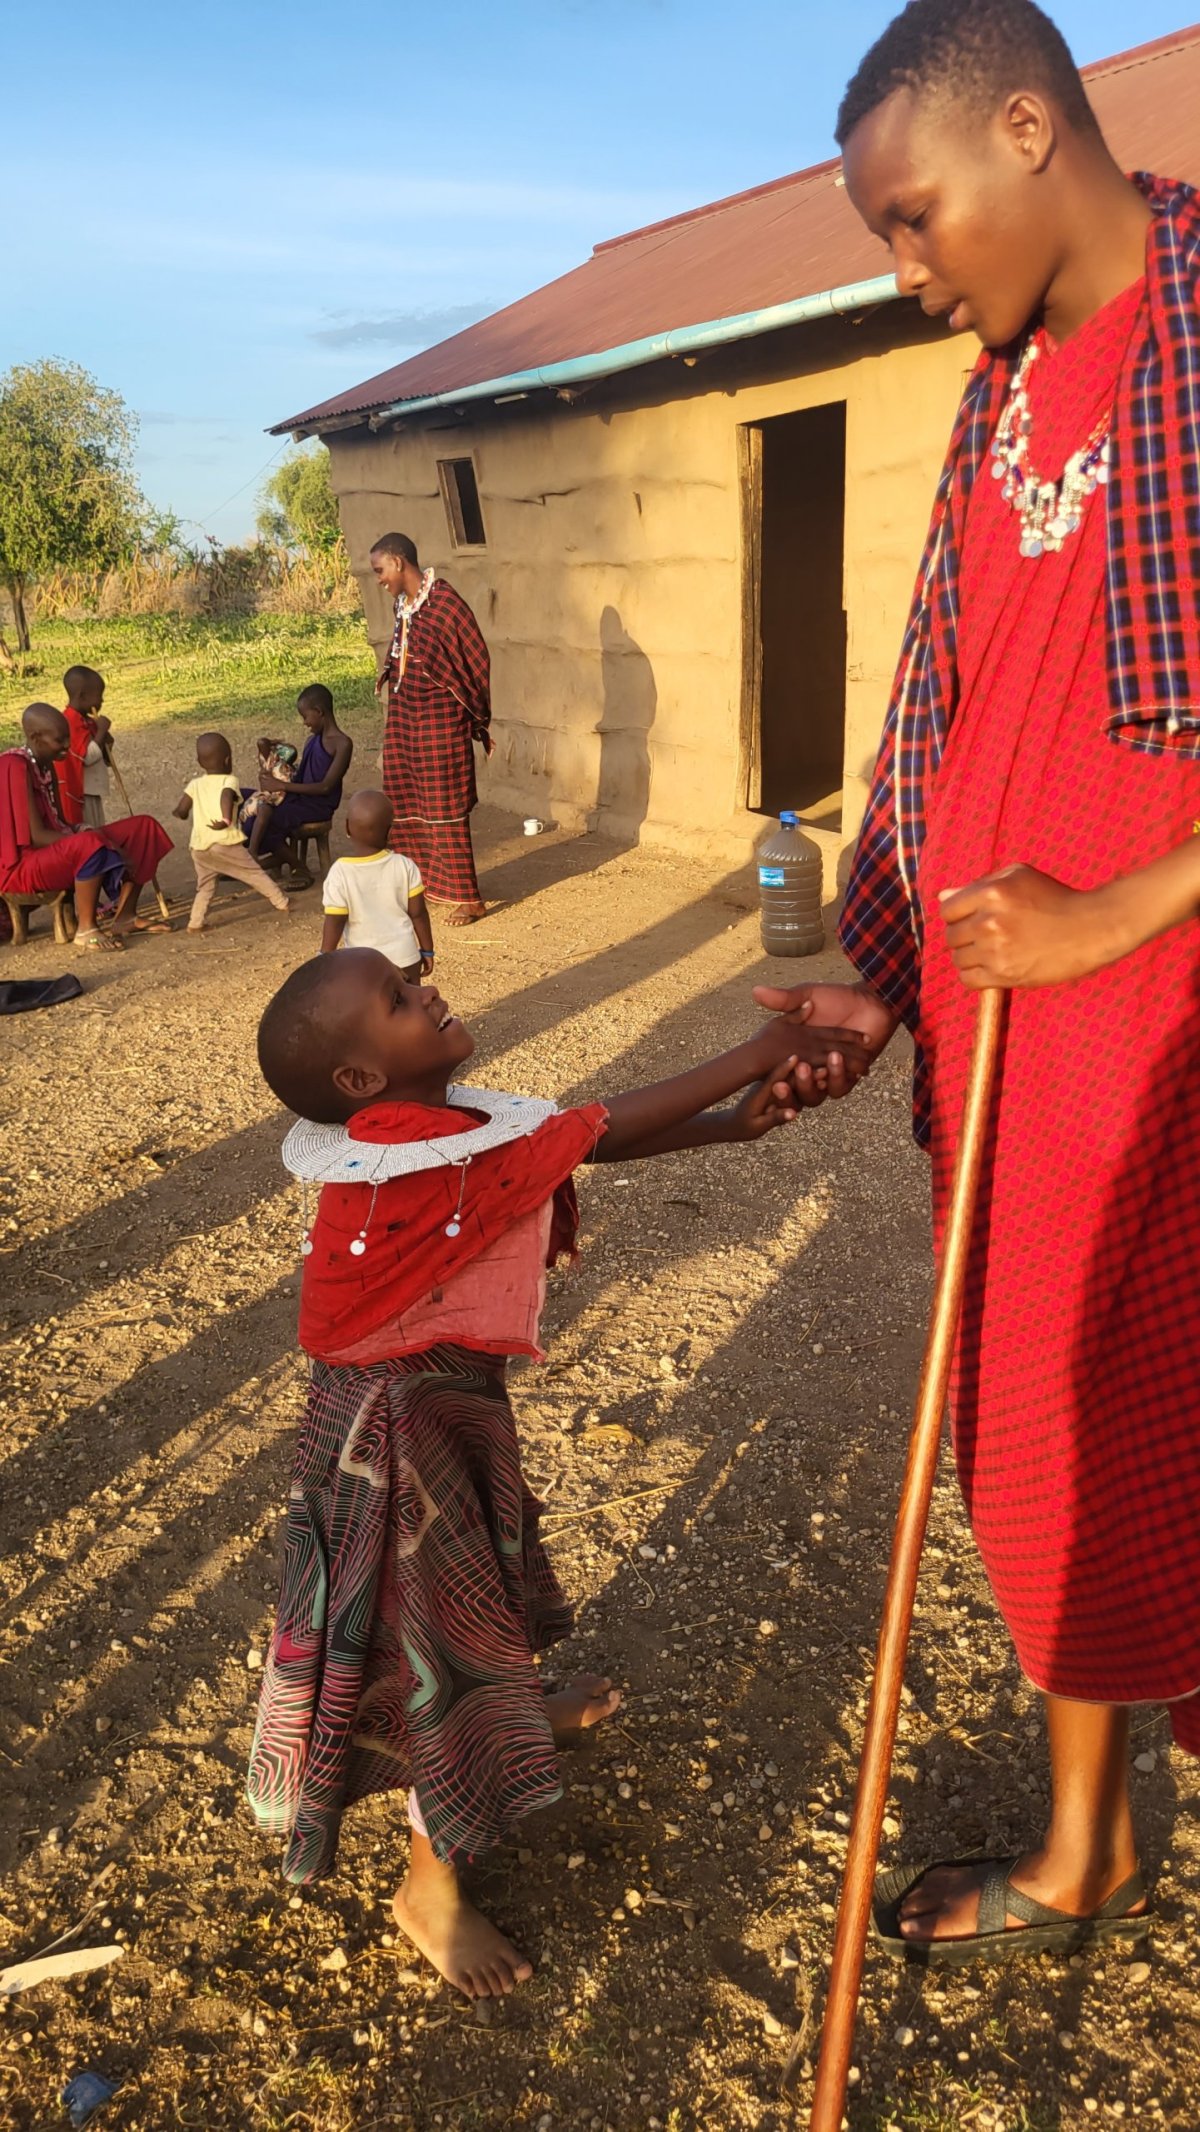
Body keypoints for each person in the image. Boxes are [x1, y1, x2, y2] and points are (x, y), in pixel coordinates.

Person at [760, 0, 1200, 1964]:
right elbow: (941, 705)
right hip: (1014, 1030)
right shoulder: (1003, 398)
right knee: (1045, 1438)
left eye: (913, 216)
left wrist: (1116, 915)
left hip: (1163, 1011)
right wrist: (883, 970)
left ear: (1030, 128)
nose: (905, 268)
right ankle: (1088, 1842)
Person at [247, 948, 870, 1997]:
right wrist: (757, 1051)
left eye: (410, 975)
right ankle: (429, 1890)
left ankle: (517, 1708)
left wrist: (734, 1124)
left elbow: (559, 1147)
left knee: (471, 1605)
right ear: (361, 1079)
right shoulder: (411, 1155)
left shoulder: (433, 1135)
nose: (427, 987)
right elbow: (593, 1127)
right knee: (437, 1651)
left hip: (426, 1417)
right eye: (399, 998)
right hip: (399, 1448)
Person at [370, 532, 492, 928]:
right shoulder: (404, 606)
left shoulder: (444, 603)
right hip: (406, 719)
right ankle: (422, 885)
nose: (378, 579)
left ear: (398, 562)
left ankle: (469, 899)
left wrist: (474, 715)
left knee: (444, 804)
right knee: (404, 800)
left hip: (440, 721)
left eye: (380, 570)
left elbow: (475, 658)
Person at [0, 704, 171, 951]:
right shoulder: (14, 765)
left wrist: (83, 830)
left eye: (68, 737)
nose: (67, 745)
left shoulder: (45, 762)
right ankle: (86, 928)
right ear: (36, 737)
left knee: (143, 827)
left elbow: (61, 823)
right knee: (92, 842)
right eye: (60, 740)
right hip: (22, 866)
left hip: (51, 852)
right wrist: (98, 840)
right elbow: (37, 836)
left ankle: (126, 915)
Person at [173, 732, 291, 934]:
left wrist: (180, 812)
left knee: (205, 886)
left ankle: (195, 922)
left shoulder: (195, 784)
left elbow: (182, 808)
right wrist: (226, 819)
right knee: (253, 873)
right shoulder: (229, 780)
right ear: (228, 760)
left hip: (199, 847)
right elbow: (226, 796)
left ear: (199, 762)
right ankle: (282, 902)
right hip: (224, 841)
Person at [320, 788, 434, 979]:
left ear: (347, 827)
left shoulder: (340, 873)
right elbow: (419, 914)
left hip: (363, 965)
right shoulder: (405, 865)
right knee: (410, 998)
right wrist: (427, 950)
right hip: (405, 959)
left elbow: (335, 921)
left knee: (368, 1000)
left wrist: (324, 958)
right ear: (390, 832)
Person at [252, 685, 352, 886]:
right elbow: (300, 777)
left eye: (306, 717)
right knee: (252, 803)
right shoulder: (311, 741)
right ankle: (275, 859)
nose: (305, 723)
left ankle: (298, 867)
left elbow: (325, 787)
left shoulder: (342, 744)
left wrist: (282, 786)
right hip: (300, 799)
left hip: (318, 806)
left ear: (319, 711)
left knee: (268, 818)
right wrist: (277, 770)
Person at [59, 665, 111, 829]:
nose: (101, 701)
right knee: (90, 830)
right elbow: (87, 757)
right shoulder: (71, 721)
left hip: (92, 791)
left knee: (98, 827)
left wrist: (105, 739)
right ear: (82, 696)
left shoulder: (87, 721)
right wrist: (101, 732)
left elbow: (103, 754)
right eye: (99, 696)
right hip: (83, 793)